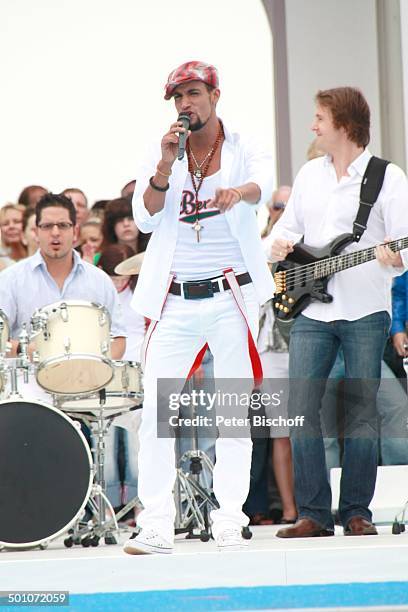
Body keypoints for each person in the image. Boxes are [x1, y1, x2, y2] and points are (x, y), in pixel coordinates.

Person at [122, 60, 274, 555]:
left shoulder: (243, 143)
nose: (185, 104)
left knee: (231, 413)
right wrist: (164, 166)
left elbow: (263, 188)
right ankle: (157, 525)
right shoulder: (164, 148)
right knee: (157, 415)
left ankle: (229, 518)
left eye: (193, 93)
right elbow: (144, 218)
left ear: (214, 94)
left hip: (231, 292)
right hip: (175, 296)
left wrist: (238, 193)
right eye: (178, 97)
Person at [267, 86, 408, 538]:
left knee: (362, 413)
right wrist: (279, 245)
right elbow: (286, 231)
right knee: (302, 410)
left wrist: (395, 257)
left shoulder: (388, 177)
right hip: (312, 310)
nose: (313, 126)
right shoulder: (309, 174)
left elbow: (403, 242)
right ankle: (313, 513)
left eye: (320, 118)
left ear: (344, 125)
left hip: (367, 310)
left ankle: (356, 512)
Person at [0, 193, 126, 361]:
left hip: (86, 381)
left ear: (75, 231)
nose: (55, 232)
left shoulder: (100, 280)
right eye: (47, 226)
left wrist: (95, 367)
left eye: (63, 225)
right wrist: (29, 350)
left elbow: (118, 338)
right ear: (36, 231)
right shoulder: (11, 279)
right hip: (29, 382)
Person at [245, 186, 297, 525]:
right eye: (279, 205)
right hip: (271, 348)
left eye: (290, 206)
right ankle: (291, 508)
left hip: (309, 339)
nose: (284, 210)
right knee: (281, 432)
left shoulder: (315, 242)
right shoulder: (261, 245)